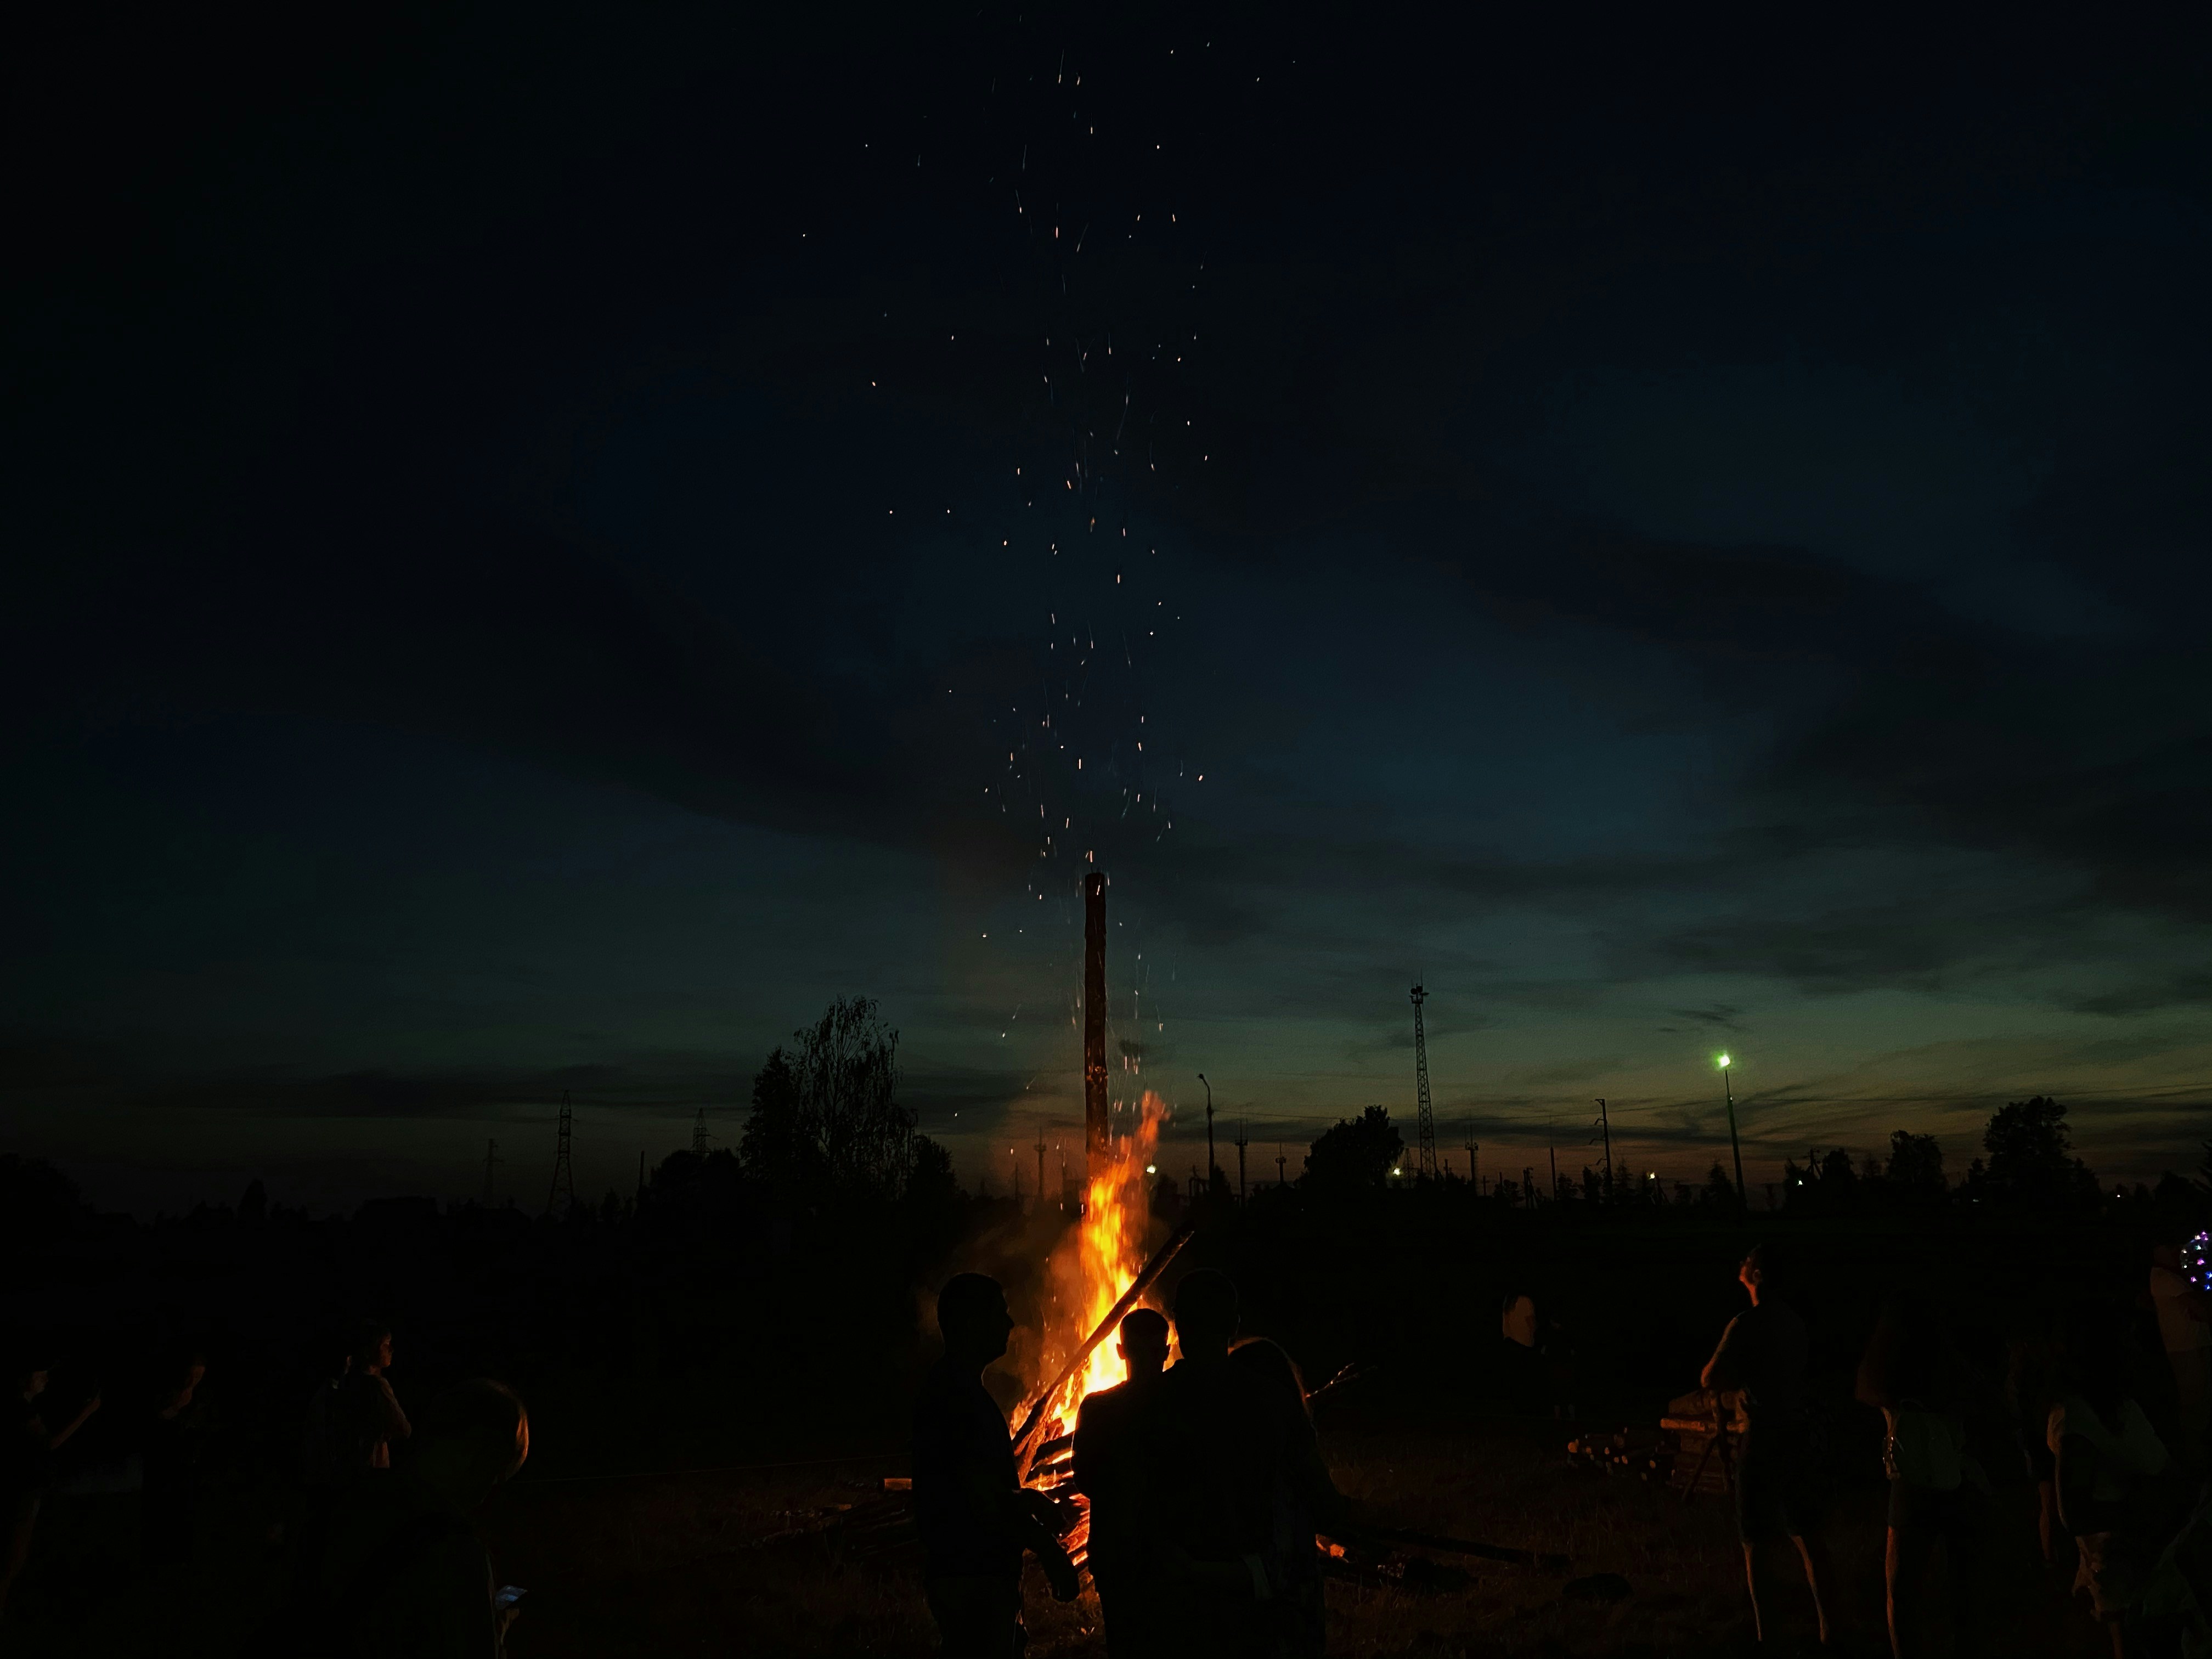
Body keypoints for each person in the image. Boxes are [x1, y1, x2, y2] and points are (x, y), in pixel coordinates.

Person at [1136, 1269, 1299, 1659]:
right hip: (1247, 1583)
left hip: (1175, 1585)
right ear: (1233, 1324)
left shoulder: (1147, 1403)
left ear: (1177, 1326)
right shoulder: (1269, 1399)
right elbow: (1299, 1484)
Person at [913, 1273, 1078, 1657]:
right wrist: (1049, 1552)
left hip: (972, 1571)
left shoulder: (959, 1390)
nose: (1008, 1323)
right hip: (971, 1573)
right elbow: (982, 1499)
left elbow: (984, 1486)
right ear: (972, 1323)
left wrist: (1032, 1501)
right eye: (998, 1314)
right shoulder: (957, 1400)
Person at [317, 1379, 530, 1658]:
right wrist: (494, 1632)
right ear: (481, 1456)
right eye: (498, 1474)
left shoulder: (346, 1500)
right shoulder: (455, 1551)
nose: (491, 1490)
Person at [1701, 1243, 1833, 1646]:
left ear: (1756, 1275)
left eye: (1746, 1262)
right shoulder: (1794, 1322)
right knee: (1806, 1532)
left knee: (1755, 1540)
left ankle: (1767, 1636)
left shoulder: (1745, 1324)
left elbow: (1711, 1378)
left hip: (1760, 1438)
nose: (1739, 1265)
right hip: (1795, 1432)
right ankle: (1832, 1630)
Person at [2049, 1300, 2190, 1656]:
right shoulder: (2079, 1418)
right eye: (2128, 1341)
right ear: (2106, 1352)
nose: (2138, 1349)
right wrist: (2141, 1511)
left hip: (2144, 1560)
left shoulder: (2113, 1406)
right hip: (2122, 1571)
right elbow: (2075, 1512)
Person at [1857, 1295, 1987, 1657]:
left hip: (1917, 1485)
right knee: (1960, 1586)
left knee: (1903, 1591)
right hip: (1956, 1479)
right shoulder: (1953, 1364)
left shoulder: (1895, 1366)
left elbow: (1866, 1388)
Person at [1228, 1338, 1352, 1659]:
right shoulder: (1293, 1440)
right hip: (1289, 1579)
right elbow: (1328, 1508)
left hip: (1244, 1582)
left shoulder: (1225, 1446)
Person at [1074, 1308, 1171, 1658]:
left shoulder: (1097, 1406)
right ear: (1166, 1350)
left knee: (1124, 1641)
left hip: (1115, 1550)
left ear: (1119, 1351)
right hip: (1175, 1554)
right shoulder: (1182, 1403)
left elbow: (1084, 1476)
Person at [0, 1346, 100, 1617]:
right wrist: (87, 1412)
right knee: (11, 1559)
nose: (46, 1379)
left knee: (13, 1557)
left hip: (25, 1489)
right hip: (19, 1492)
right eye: (41, 1374)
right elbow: (48, 1443)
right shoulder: (18, 1409)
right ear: (25, 1378)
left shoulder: (22, 1407)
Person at [140, 1347, 209, 1570]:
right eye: (192, 1374)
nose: (194, 1380)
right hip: (163, 1463)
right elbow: (154, 1423)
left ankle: (181, 1557)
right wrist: (177, 1407)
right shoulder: (167, 1393)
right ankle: (156, 1556)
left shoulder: (202, 1398)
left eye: (199, 1376)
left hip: (188, 1464)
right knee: (161, 1509)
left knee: (185, 1510)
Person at [2148, 1243, 2209, 1468]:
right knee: (2195, 1398)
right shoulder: (2164, 1277)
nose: (2175, 1252)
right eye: (2169, 1247)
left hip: (2193, 1343)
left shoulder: (2175, 1276)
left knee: (2201, 1396)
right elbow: (2197, 1307)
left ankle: (2197, 1452)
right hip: (2185, 1346)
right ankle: (2194, 1455)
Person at [332, 1322, 410, 1476]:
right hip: (372, 1469)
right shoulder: (377, 1386)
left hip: (346, 1470)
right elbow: (404, 1429)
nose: (391, 1349)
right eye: (386, 1344)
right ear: (369, 1351)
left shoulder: (347, 1383)